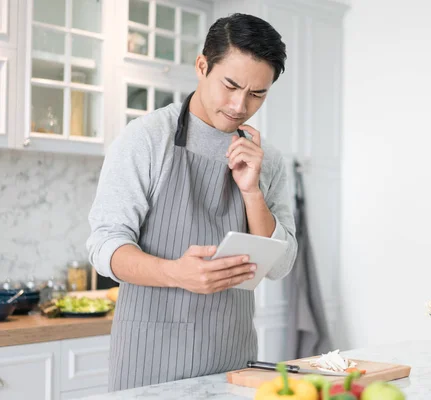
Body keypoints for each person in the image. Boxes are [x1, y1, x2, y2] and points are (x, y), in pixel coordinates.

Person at [86, 13, 297, 391]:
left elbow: (280, 264)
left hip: (233, 362)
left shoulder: (267, 160)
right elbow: (105, 247)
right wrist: (175, 274)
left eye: (257, 94)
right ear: (202, 66)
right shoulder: (147, 139)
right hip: (150, 365)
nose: (239, 105)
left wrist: (252, 191)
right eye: (230, 85)